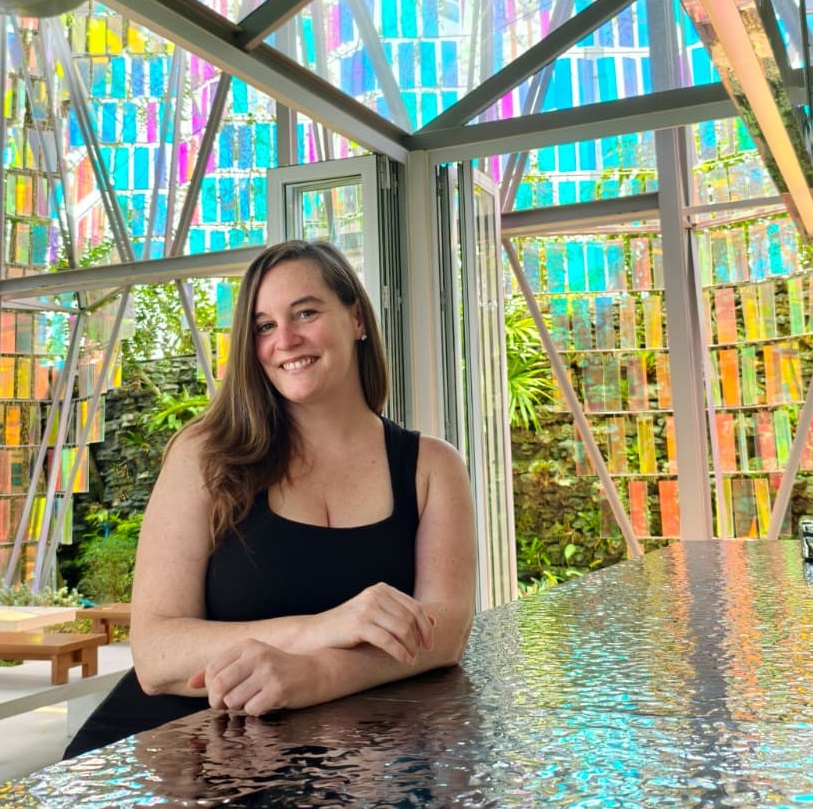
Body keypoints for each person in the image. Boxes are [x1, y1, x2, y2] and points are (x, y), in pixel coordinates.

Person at [64, 239, 477, 757]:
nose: (285, 340)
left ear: (356, 319)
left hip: (327, 761)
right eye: (263, 326)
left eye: (305, 313)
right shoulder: (206, 455)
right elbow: (154, 654)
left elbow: (445, 633)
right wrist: (327, 627)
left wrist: (316, 674)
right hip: (173, 758)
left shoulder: (432, 467)